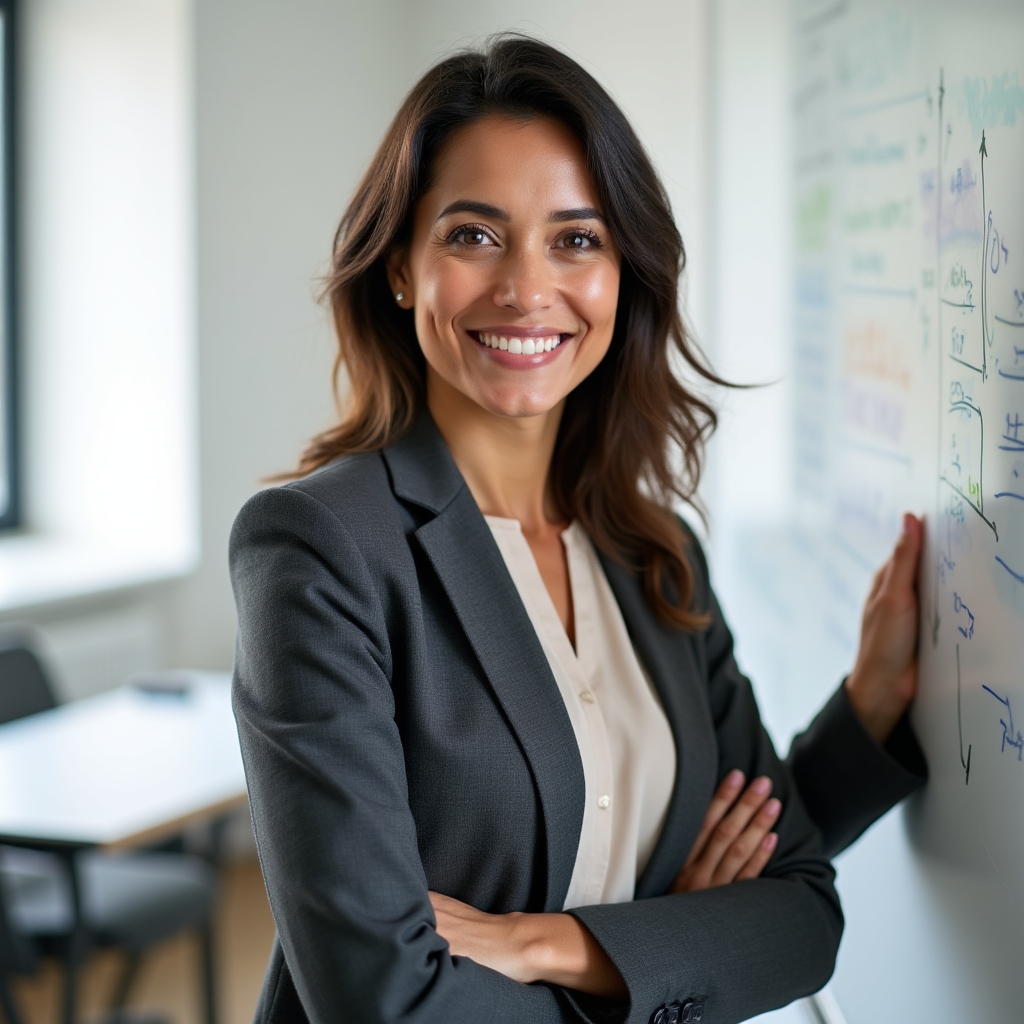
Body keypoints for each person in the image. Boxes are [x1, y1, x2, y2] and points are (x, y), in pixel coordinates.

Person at [230, 35, 925, 1024]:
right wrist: (671, 948)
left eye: (576, 238)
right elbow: (381, 999)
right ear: (399, 268)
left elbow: (798, 911)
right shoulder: (321, 545)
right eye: (473, 235)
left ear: (620, 276)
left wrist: (550, 943)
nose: (524, 286)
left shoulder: (654, 553)